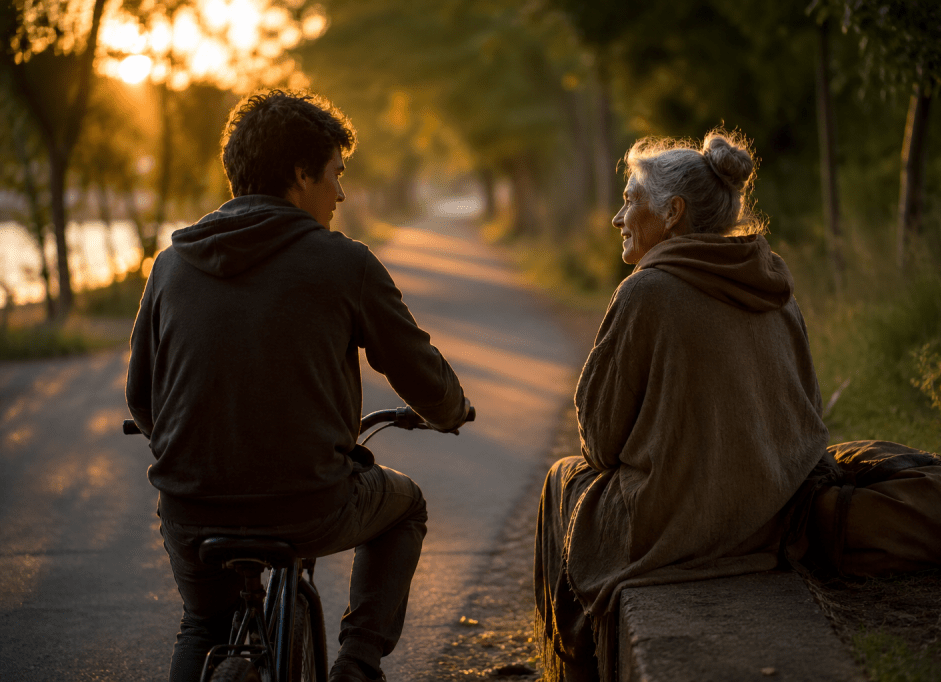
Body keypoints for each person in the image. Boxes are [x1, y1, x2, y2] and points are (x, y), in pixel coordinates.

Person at [126, 89, 471, 682]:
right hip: (309, 506)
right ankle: (358, 666)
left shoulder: (169, 265)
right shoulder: (346, 264)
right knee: (406, 504)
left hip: (189, 509)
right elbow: (418, 371)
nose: (340, 193)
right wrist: (451, 409)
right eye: (335, 174)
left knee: (203, 623)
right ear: (299, 173)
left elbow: (142, 397)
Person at [534, 131, 829, 681]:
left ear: (672, 213)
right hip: (775, 518)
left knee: (564, 481)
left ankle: (576, 669)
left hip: (677, 524)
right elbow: (807, 412)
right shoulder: (772, 281)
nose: (617, 218)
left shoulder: (647, 291)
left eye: (630, 201)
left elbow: (598, 441)